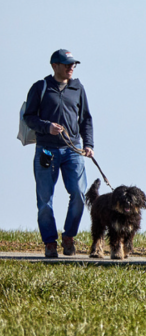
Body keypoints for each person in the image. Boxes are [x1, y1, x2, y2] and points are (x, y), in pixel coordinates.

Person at [23, 49, 94, 258]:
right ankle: (50, 243)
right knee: (45, 200)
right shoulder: (40, 87)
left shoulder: (78, 88)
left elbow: (86, 119)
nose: (71, 67)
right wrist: (47, 127)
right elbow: (29, 117)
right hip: (46, 150)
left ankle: (69, 236)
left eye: (73, 64)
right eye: (67, 64)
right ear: (54, 66)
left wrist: (89, 144)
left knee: (80, 195)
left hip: (73, 150)